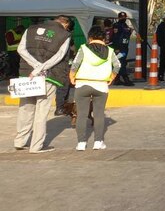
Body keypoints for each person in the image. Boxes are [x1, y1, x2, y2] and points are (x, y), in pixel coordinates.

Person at [14, 15, 73, 153]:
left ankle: (20, 141)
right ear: (66, 24)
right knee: (42, 111)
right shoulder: (65, 34)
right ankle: (36, 146)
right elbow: (59, 56)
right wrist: (40, 68)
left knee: (25, 108)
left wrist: (34, 68)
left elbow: (20, 50)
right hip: (48, 76)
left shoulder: (30, 29)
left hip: (27, 76)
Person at [69, 25, 120, 151]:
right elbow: (117, 65)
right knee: (98, 114)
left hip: (82, 84)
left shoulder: (83, 49)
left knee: (81, 115)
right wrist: (111, 78)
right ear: (104, 37)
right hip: (101, 85)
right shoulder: (110, 51)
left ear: (90, 37)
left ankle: (81, 143)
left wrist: (72, 77)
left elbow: (75, 64)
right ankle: (98, 142)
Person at [110, 12, 135, 86]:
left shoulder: (125, 25)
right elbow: (115, 37)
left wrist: (130, 31)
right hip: (119, 48)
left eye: (124, 17)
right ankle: (126, 79)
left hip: (125, 47)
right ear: (118, 18)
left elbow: (127, 35)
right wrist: (116, 48)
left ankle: (117, 80)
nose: (123, 18)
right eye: (121, 17)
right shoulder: (116, 25)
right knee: (122, 63)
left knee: (120, 62)